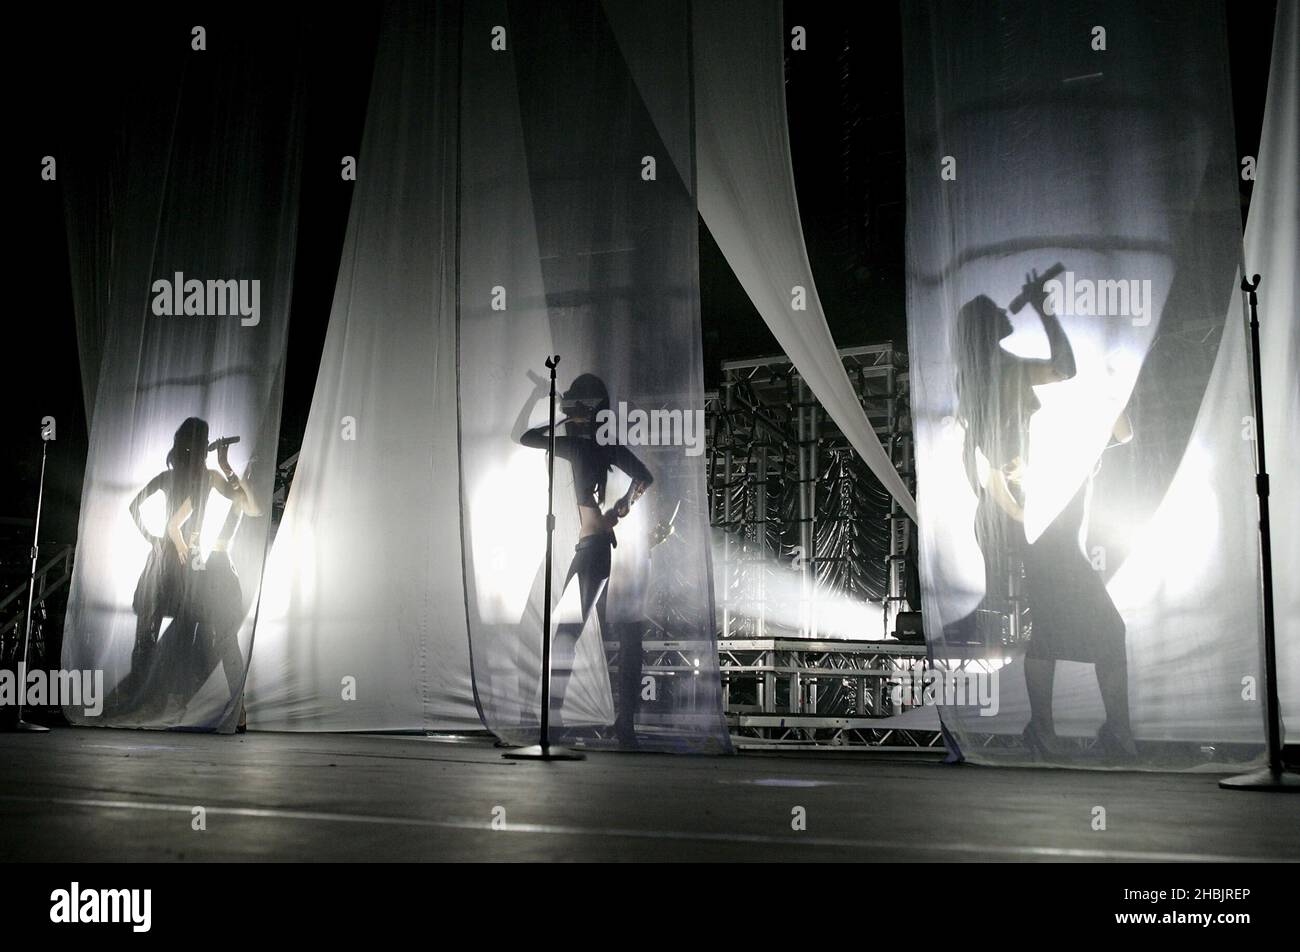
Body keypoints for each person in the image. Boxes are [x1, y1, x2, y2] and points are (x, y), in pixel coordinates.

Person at [953, 270, 1136, 761]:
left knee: (1054, 630)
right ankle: (1104, 731)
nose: (1001, 310)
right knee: (1102, 628)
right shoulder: (993, 375)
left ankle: (1059, 730)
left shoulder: (1000, 368)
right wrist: (1024, 520)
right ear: (984, 329)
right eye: (993, 310)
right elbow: (991, 467)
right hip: (1024, 521)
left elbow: (1065, 368)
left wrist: (1042, 307)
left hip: (1030, 518)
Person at [520, 373, 652, 744]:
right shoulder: (604, 447)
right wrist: (626, 503)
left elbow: (526, 437)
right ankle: (601, 723)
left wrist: (553, 413)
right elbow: (644, 477)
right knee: (575, 634)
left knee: (565, 635)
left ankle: (557, 720)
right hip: (595, 551)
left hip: (593, 551)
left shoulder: (578, 448)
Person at [124, 418, 258, 718]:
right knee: (153, 632)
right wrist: (153, 538)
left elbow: (242, 501)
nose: (202, 450)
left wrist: (227, 466)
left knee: (167, 632)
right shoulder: (179, 477)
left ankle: (162, 699)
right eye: (202, 443)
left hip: (186, 563)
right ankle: (151, 698)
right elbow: (134, 505)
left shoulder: (203, 476)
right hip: (173, 561)